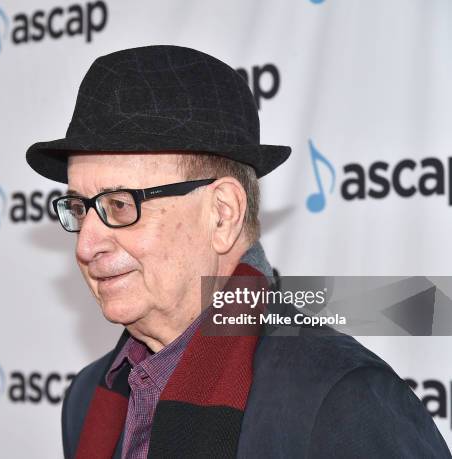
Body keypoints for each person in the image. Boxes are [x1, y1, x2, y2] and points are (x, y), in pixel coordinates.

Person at [25, 45, 451, 458]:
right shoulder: (91, 396)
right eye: (80, 208)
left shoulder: (341, 399)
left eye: (119, 205)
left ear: (222, 214)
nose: (85, 245)